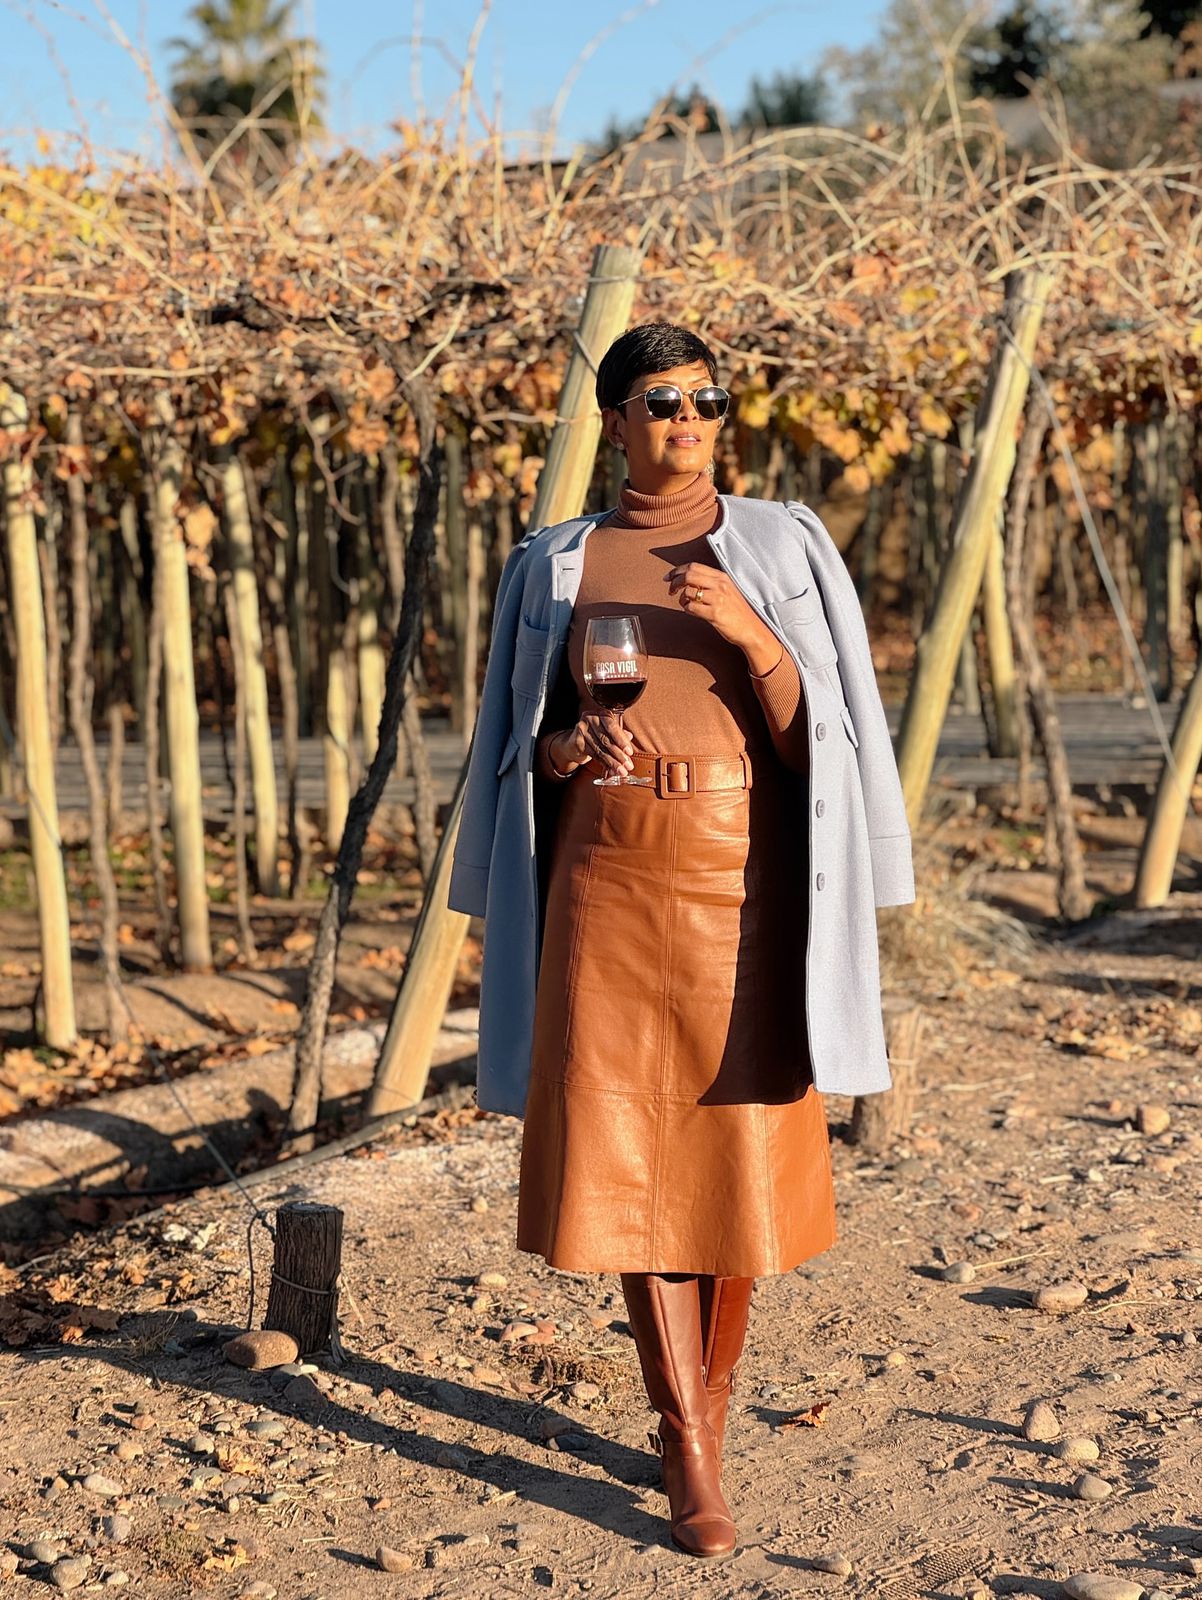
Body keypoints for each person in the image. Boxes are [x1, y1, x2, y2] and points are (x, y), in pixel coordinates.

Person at [448, 321, 915, 1560]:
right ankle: (688, 1443)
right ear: (612, 420)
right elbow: (522, 735)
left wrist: (750, 630)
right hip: (605, 878)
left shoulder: (781, 544)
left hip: (743, 879)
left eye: (707, 399)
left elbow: (824, 737)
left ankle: (703, 1408)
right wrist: (565, 746)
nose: (689, 420)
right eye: (661, 401)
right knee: (630, 1155)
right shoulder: (553, 562)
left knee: (734, 1153)